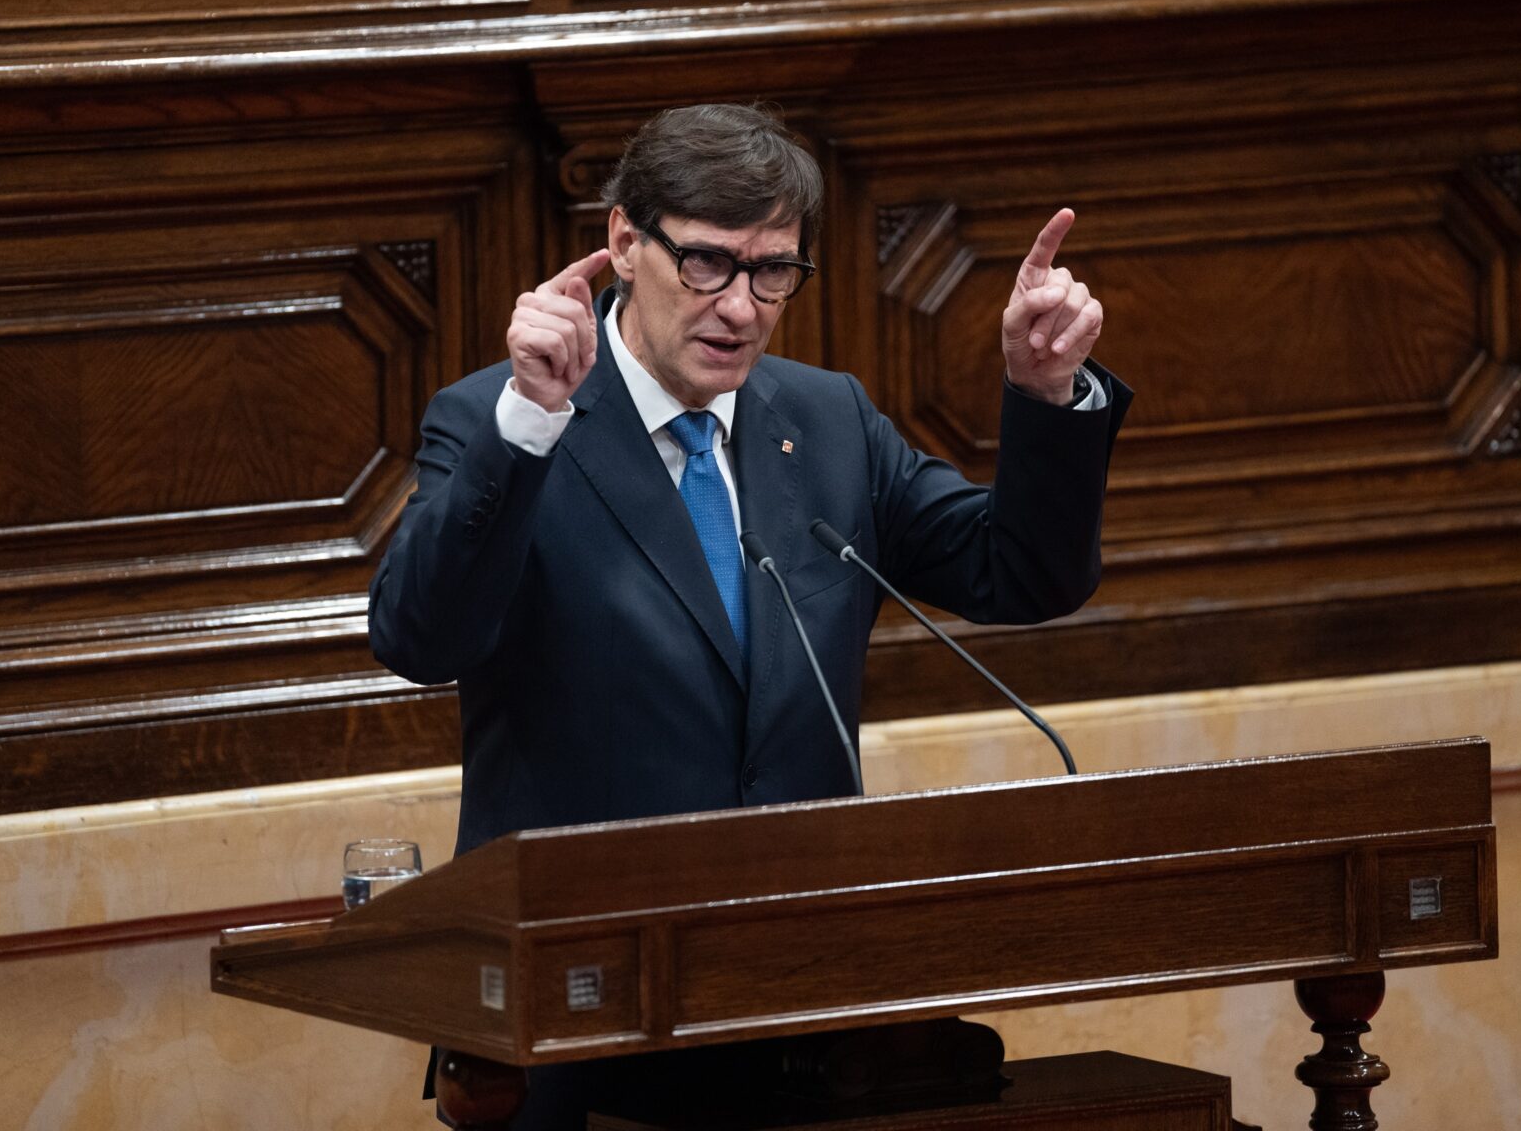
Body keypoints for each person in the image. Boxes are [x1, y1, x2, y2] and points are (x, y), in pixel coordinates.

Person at [367, 102, 1131, 1127]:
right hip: (584, 1013)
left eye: (773, 271)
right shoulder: (499, 421)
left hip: (804, 1018)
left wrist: (1047, 395)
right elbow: (419, 639)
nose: (741, 307)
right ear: (624, 242)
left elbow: (1023, 573)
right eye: (708, 264)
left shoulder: (827, 421)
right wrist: (529, 424)